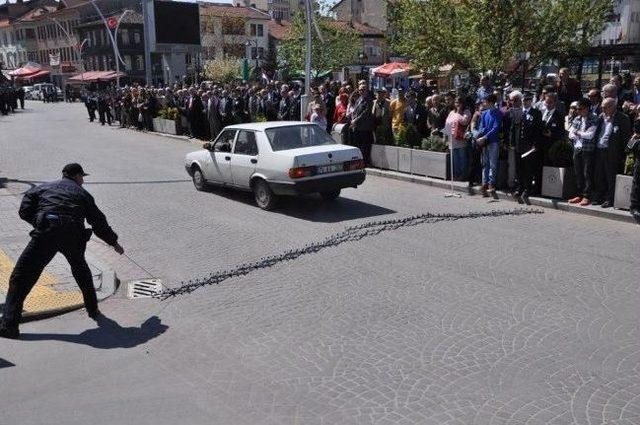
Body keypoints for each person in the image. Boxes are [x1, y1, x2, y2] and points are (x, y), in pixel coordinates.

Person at [0, 164, 125, 340]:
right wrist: (114, 242)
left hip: (47, 233)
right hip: (73, 235)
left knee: (20, 277)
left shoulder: (43, 187)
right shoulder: (83, 194)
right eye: (82, 177)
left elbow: (24, 210)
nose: (83, 181)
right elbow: (98, 222)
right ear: (76, 176)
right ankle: (93, 309)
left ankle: (9, 326)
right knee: (80, 269)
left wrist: (40, 221)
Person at [592, 98, 631, 208]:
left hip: (613, 152)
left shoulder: (623, 118)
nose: (602, 109)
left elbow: (625, 137)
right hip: (600, 150)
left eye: (605, 107)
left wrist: (623, 154)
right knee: (599, 175)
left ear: (613, 107)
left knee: (610, 176)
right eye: (602, 107)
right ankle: (599, 196)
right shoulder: (600, 117)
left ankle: (609, 199)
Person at [508, 91, 543, 202]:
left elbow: (538, 130)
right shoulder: (518, 112)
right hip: (519, 145)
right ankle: (520, 187)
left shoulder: (536, 113)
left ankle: (527, 189)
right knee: (519, 168)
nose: (525, 102)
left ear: (531, 101)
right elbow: (513, 128)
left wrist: (535, 144)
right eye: (524, 100)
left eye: (527, 100)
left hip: (529, 146)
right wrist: (512, 143)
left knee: (528, 169)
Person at [567, 98, 599, 206]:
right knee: (578, 173)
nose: (578, 111)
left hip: (588, 149)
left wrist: (578, 133)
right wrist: (580, 133)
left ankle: (587, 196)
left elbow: (590, 135)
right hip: (577, 148)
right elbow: (570, 134)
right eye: (577, 109)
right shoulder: (577, 118)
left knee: (587, 173)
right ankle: (579, 194)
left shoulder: (594, 118)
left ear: (587, 108)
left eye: (581, 109)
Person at [475, 93, 502, 197]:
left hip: (493, 141)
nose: (483, 103)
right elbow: (482, 126)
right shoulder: (484, 113)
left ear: (490, 102)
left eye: (485, 101)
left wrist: (485, 137)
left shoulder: (497, 113)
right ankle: (484, 183)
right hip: (484, 142)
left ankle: (491, 183)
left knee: (493, 164)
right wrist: (479, 135)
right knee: (485, 163)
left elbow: (496, 128)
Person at [445, 95, 471, 180]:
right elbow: (447, 123)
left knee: (462, 157)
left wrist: (459, 113)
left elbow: (464, 121)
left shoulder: (466, 112)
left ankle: (463, 175)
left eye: (459, 103)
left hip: (461, 139)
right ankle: (456, 175)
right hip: (452, 138)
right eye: (456, 103)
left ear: (463, 104)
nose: (457, 104)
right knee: (455, 159)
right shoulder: (452, 112)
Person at [350, 83, 375, 164]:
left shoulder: (369, 100)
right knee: (358, 145)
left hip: (365, 127)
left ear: (367, 90)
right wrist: (353, 119)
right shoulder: (358, 99)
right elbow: (355, 111)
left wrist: (355, 120)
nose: (361, 91)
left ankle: (365, 161)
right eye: (360, 90)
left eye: (363, 90)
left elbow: (365, 113)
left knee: (365, 146)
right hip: (357, 127)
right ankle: (360, 161)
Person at [626, 119, 640, 223]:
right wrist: (633, 138)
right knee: (637, 186)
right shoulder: (635, 140)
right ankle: (634, 207)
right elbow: (627, 149)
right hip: (638, 165)